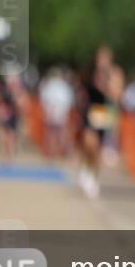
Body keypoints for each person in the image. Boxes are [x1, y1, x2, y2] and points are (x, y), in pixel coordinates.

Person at [78, 46, 124, 199]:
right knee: (88, 142)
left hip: (105, 113)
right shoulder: (91, 72)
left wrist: (105, 85)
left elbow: (116, 95)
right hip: (91, 111)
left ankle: (94, 177)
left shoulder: (115, 73)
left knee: (97, 149)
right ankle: (86, 167)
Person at [39, 66, 75, 160]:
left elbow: (45, 100)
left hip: (57, 112)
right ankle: (56, 153)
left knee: (58, 133)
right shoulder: (60, 86)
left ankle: (61, 153)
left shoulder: (54, 86)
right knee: (56, 133)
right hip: (57, 113)